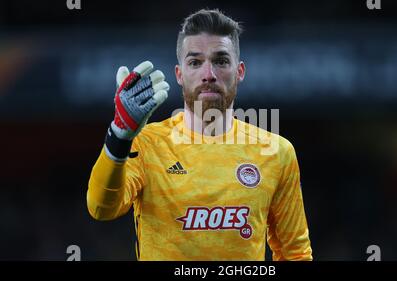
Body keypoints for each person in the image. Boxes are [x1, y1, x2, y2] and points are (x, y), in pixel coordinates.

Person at [87, 8, 312, 261]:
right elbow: (101, 208)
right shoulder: (147, 144)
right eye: (195, 62)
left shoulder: (277, 152)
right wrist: (119, 136)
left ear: (239, 71)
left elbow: (296, 253)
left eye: (220, 61)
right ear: (179, 75)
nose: (209, 75)